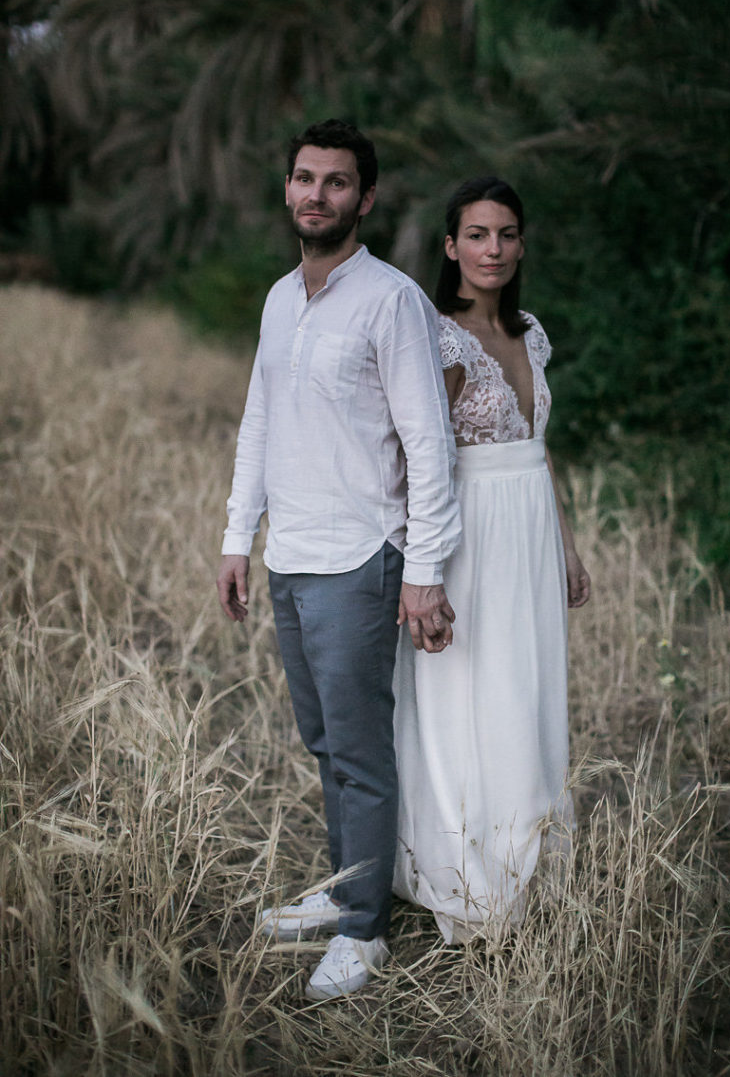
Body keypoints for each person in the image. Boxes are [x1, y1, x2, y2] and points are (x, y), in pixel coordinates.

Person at [216, 119, 461, 1000]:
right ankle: (349, 888)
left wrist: (424, 568)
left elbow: (429, 445)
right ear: (287, 188)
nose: (316, 194)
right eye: (304, 178)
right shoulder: (282, 297)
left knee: (358, 751)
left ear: (366, 196)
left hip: (363, 556)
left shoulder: (391, 299)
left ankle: (365, 932)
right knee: (324, 740)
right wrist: (237, 538)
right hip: (292, 554)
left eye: (336, 181)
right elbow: (259, 424)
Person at [392, 176, 590, 944]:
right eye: (477, 234)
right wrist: (424, 567)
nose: (493, 249)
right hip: (467, 530)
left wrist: (567, 546)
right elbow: (419, 459)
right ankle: (469, 866)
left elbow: (539, 450)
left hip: (530, 530)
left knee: (530, 681)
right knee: (470, 687)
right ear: (451, 246)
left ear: (521, 243)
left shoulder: (531, 331)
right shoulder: (439, 338)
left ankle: (532, 850)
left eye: (506, 234)